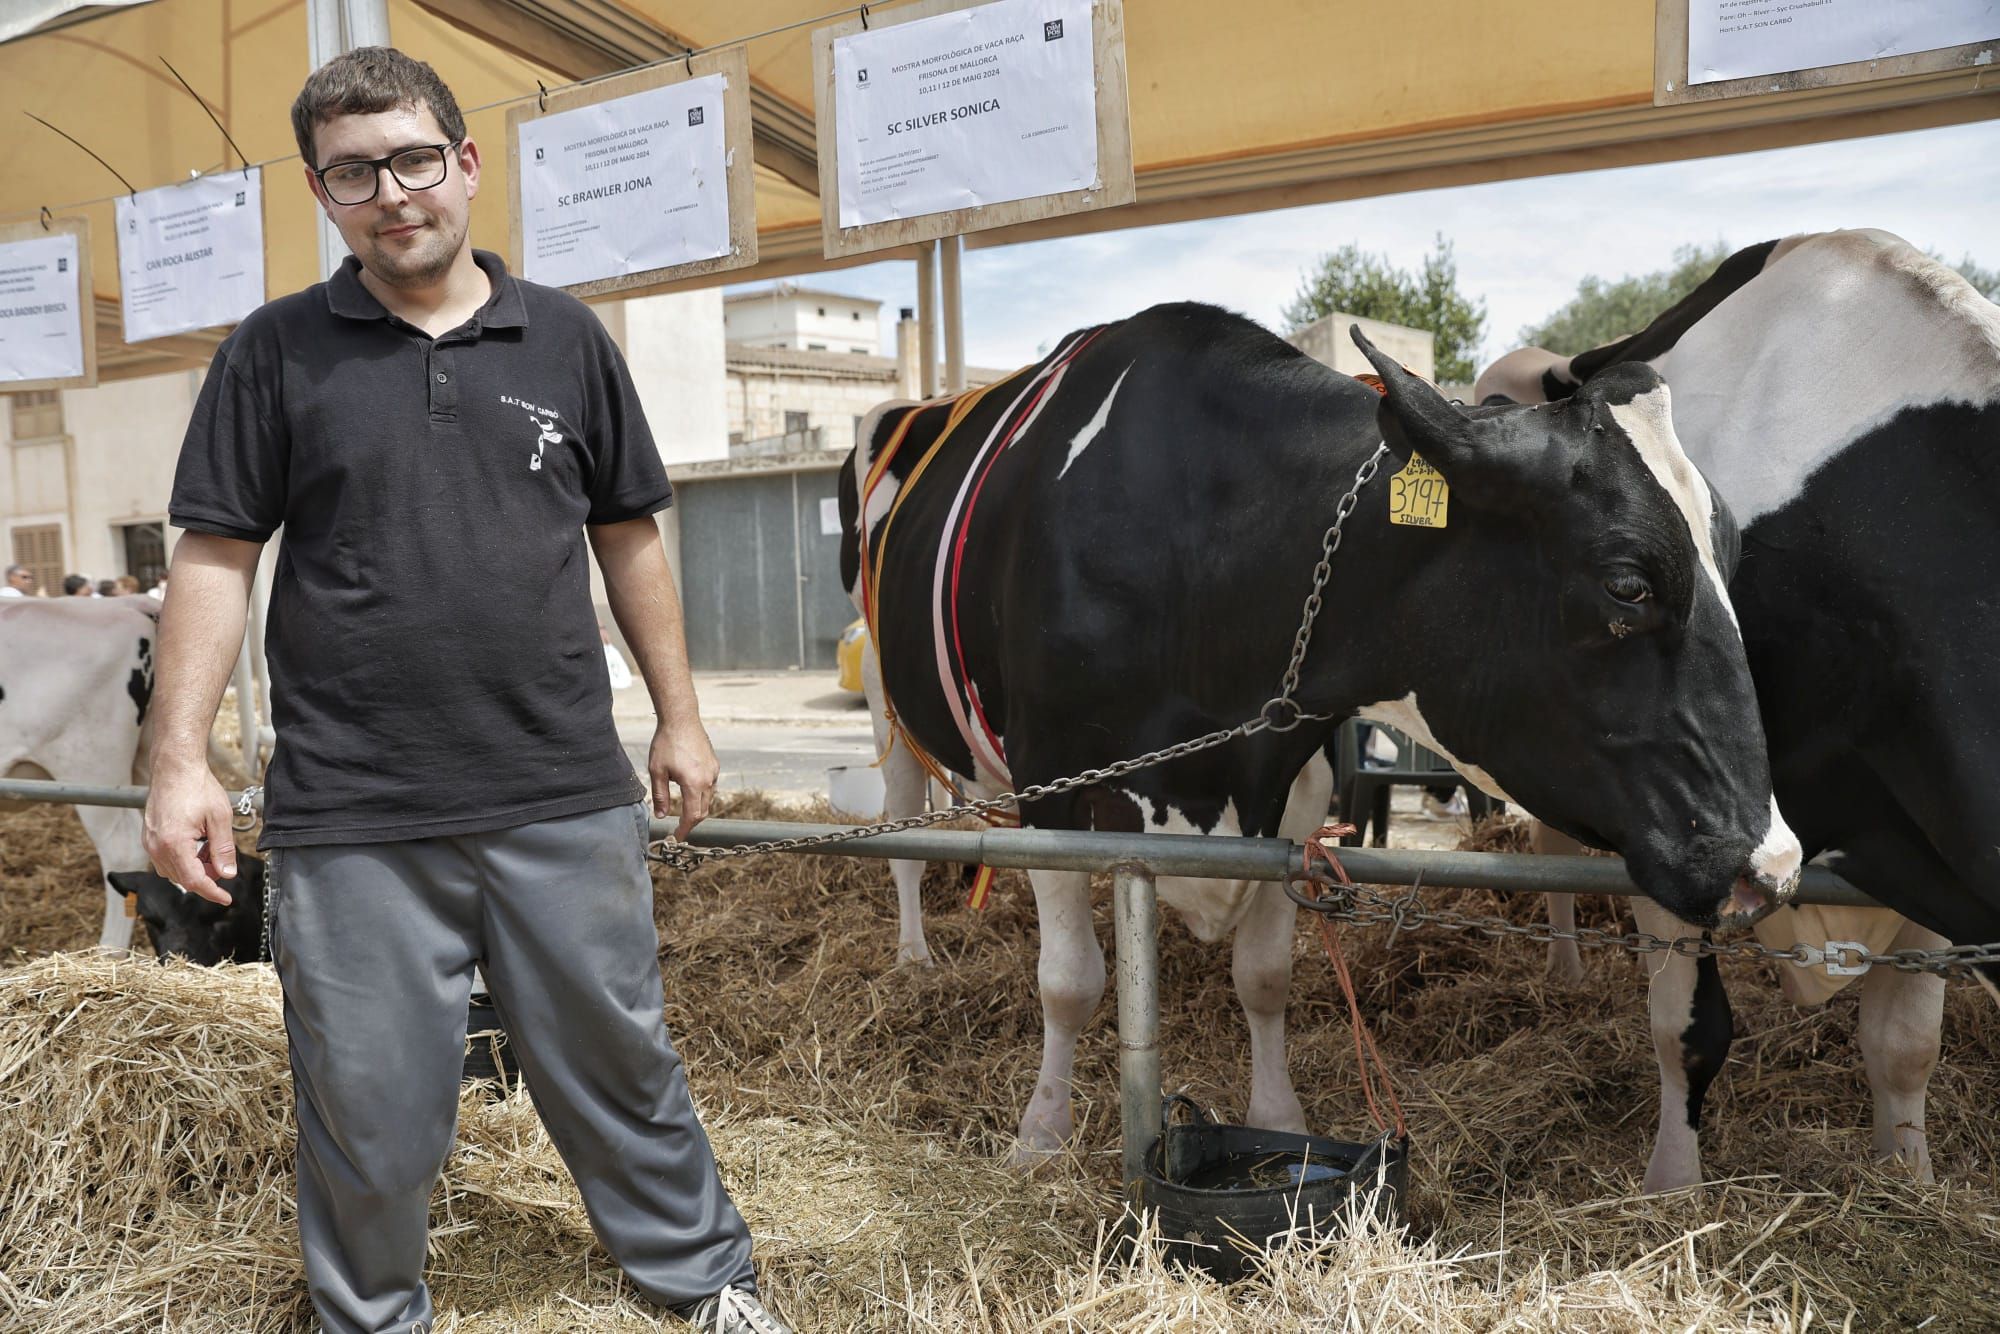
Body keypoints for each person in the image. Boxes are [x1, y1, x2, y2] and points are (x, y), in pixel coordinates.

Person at [144, 46, 780, 1334]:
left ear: (466, 163)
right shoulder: (273, 355)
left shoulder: (565, 340)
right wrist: (179, 757)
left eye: (413, 159)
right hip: (353, 810)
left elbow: (632, 534)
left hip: (557, 786)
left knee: (619, 1063)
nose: (392, 192)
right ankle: (371, 1317)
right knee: (367, 1098)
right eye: (352, 172)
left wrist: (683, 714)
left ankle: (706, 1286)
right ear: (324, 193)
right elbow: (215, 553)